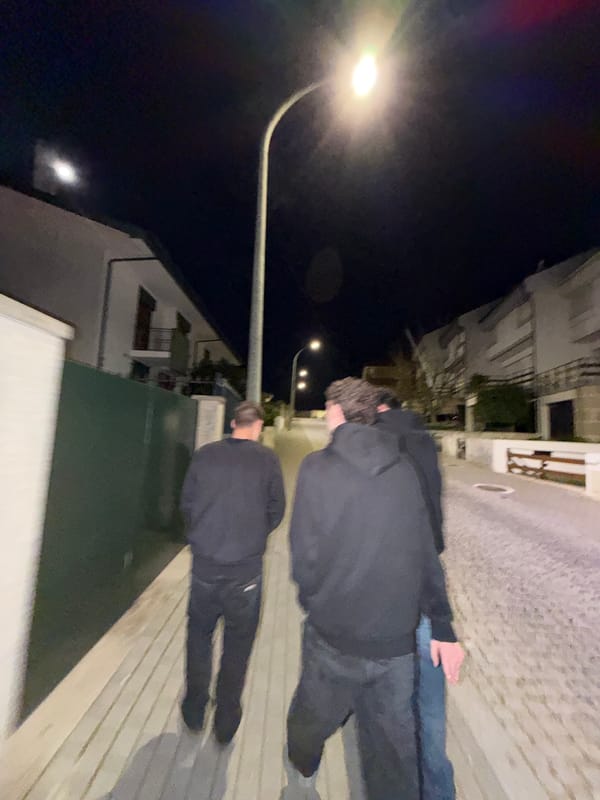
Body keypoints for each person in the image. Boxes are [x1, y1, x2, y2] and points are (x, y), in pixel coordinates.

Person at [282, 378, 463, 800]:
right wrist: (443, 626)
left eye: (327, 409)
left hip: (332, 637)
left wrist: (314, 601)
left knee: (308, 720)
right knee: (391, 757)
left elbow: (303, 553)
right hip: (394, 648)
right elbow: (424, 554)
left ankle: (301, 778)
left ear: (338, 413)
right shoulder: (403, 471)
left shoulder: (315, 468)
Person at [180, 400, 285, 744]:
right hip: (245, 574)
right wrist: (253, 534)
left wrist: (205, 535)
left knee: (199, 638)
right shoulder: (267, 460)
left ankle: (194, 709)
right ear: (257, 427)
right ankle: (226, 721)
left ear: (232, 423)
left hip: (205, 568)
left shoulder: (205, 455)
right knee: (237, 647)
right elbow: (277, 509)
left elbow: (187, 504)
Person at [375, 389, 462, 800]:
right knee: (430, 710)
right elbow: (434, 520)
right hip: (428, 582)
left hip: (390, 586)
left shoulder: (377, 440)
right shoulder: (425, 440)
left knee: (392, 705)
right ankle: (438, 789)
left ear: (377, 408)